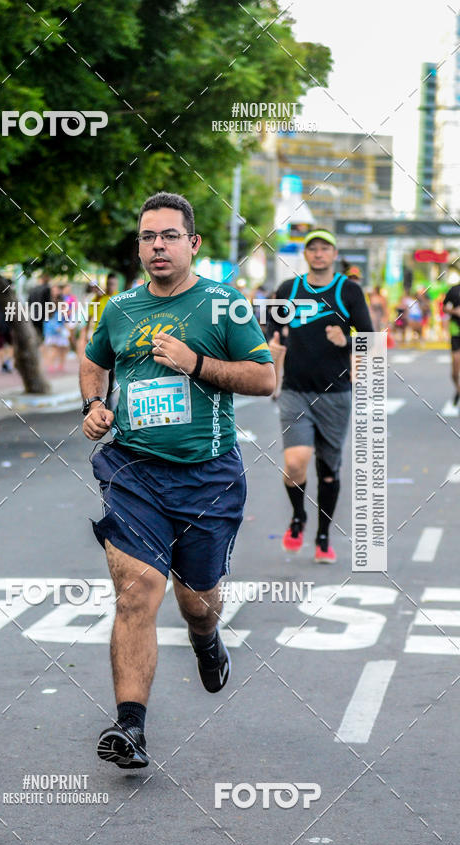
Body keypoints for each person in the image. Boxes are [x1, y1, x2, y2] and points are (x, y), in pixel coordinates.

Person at [80, 191, 275, 769]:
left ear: (192, 244)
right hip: (134, 470)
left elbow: (265, 378)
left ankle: (205, 639)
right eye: (147, 236)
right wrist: (94, 403)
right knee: (138, 589)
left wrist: (196, 364)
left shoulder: (224, 306)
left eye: (168, 236)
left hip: (208, 478)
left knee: (197, 602)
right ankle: (130, 726)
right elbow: (95, 359)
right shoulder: (119, 310)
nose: (157, 245)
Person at [269, 227, 373, 564]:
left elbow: (372, 340)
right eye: (311, 248)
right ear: (306, 255)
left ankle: (323, 535)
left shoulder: (349, 291)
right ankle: (299, 517)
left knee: (328, 470)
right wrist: (273, 342)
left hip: (335, 394)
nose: (317, 253)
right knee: (295, 463)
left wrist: (346, 341)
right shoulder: (289, 289)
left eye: (324, 248)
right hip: (296, 391)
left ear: (333, 254)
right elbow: (271, 326)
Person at [42, 284, 69, 372]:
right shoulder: (50, 303)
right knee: (56, 348)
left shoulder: (58, 302)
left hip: (56, 328)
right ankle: (53, 365)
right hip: (54, 329)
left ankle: (57, 365)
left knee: (61, 348)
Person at [443, 283, 460, 406]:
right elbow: (444, 307)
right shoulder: (454, 290)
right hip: (456, 330)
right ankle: (458, 389)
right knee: (455, 370)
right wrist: (454, 311)